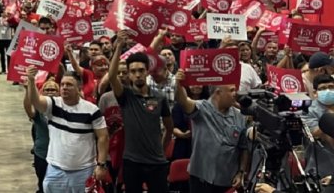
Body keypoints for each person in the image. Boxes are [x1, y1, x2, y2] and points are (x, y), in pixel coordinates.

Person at [25, 66, 109, 192]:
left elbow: (103, 137)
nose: (64, 87)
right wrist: (31, 80)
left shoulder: (92, 110)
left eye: (69, 85)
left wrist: (101, 165)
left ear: (79, 88)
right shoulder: (53, 104)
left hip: (84, 172)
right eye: (62, 84)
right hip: (55, 170)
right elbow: (36, 101)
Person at [108, 31, 173, 193]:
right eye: (133, 71)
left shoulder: (160, 96)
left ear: (147, 71)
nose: (137, 74)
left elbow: (169, 127)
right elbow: (111, 77)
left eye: (141, 70)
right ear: (129, 74)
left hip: (157, 162)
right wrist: (119, 48)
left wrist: (162, 149)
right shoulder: (125, 96)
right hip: (132, 162)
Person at [173, 70, 249, 192]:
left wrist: (241, 172)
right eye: (231, 90)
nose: (235, 94)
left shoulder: (240, 116)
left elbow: (243, 147)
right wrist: (178, 83)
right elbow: (183, 101)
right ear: (218, 93)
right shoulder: (201, 108)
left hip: (227, 181)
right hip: (201, 180)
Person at [23, 79, 60, 193]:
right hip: (42, 153)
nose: (50, 92)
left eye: (53, 89)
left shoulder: (63, 108)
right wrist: (27, 90)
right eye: (46, 90)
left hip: (59, 154)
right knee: (43, 183)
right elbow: (28, 109)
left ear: (58, 92)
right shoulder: (39, 110)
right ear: (42, 92)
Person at [302, 74, 334, 193]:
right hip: (320, 168)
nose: (328, 91)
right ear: (315, 93)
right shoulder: (308, 111)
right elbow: (314, 133)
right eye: (323, 88)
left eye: (331, 87)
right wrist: (329, 118)